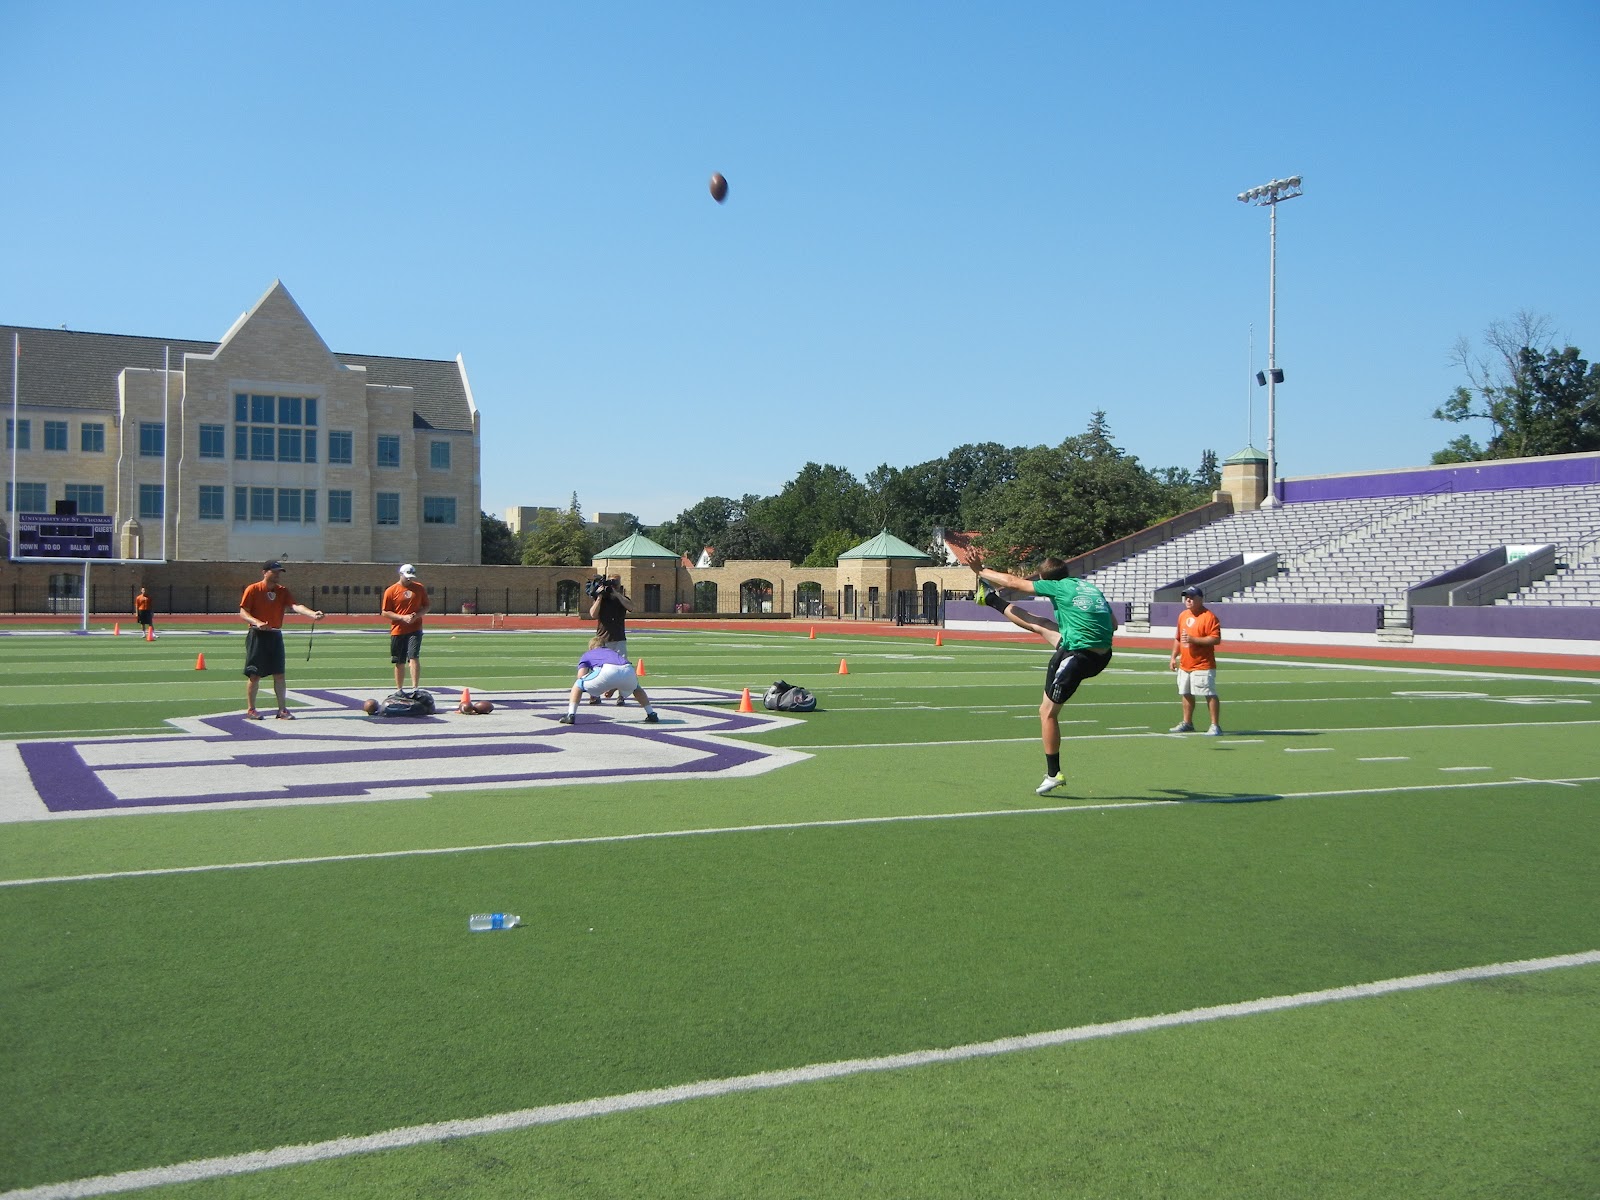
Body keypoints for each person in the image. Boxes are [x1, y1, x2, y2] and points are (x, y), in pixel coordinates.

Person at [974, 558, 1116, 796]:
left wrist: (981, 570)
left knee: (1047, 712)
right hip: (1101, 653)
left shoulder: (1056, 586)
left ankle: (1054, 774)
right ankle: (990, 599)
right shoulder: (1089, 587)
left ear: (1044, 579)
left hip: (1079, 657)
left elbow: (1013, 582)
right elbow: (1113, 624)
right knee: (1041, 624)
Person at [238, 560, 323, 720]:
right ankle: (251, 709)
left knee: (279, 674)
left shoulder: (282, 591)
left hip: (275, 635)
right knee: (254, 674)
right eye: (274, 571)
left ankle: (282, 710)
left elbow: (295, 606)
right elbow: (243, 612)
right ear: (265, 572)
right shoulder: (253, 589)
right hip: (257, 634)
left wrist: (312, 614)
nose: (277, 575)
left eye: (279, 572)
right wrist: (257, 622)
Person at [557, 634, 658, 724]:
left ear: (591, 647)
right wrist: (612, 688)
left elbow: (581, 676)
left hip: (608, 670)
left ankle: (571, 715)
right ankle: (651, 713)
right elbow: (620, 673)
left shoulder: (587, 654)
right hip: (628, 669)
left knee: (578, 685)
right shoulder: (612, 652)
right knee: (636, 688)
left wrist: (594, 689)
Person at [1170, 585, 1223, 735]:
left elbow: (1216, 639)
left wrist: (1194, 639)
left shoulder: (1209, 617)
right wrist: (1173, 656)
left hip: (1203, 664)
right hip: (1185, 663)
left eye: (1192, 597)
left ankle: (1215, 725)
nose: (1188, 600)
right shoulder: (1183, 615)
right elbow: (1178, 638)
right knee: (1185, 692)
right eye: (1186, 597)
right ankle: (1187, 722)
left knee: (1209, 692)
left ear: (1200, 599)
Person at [380, 563, 430, 695]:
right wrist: (402, 617)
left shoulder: (419, 588)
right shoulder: (391, 591)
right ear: (400, 574)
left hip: (415, 628)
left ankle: (415, 688)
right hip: (398, 629)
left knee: (413, 656)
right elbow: (385, 612)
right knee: (399, 660)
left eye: (411, 577)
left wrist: (416, 616)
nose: (409, 579)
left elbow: (426, 606)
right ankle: (399, 689)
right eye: (407, 576)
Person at [588, 574, 632, 705]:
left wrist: (616, 594)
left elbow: (631, 607)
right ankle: (594, 695)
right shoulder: (601, 598)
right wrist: (600, 596)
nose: (613, 585)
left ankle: (621, 696)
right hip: (602, 639)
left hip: (618, 638)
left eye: (615, 583)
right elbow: (593, 614)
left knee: (622, 668)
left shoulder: (622, 599)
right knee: (597, 668)